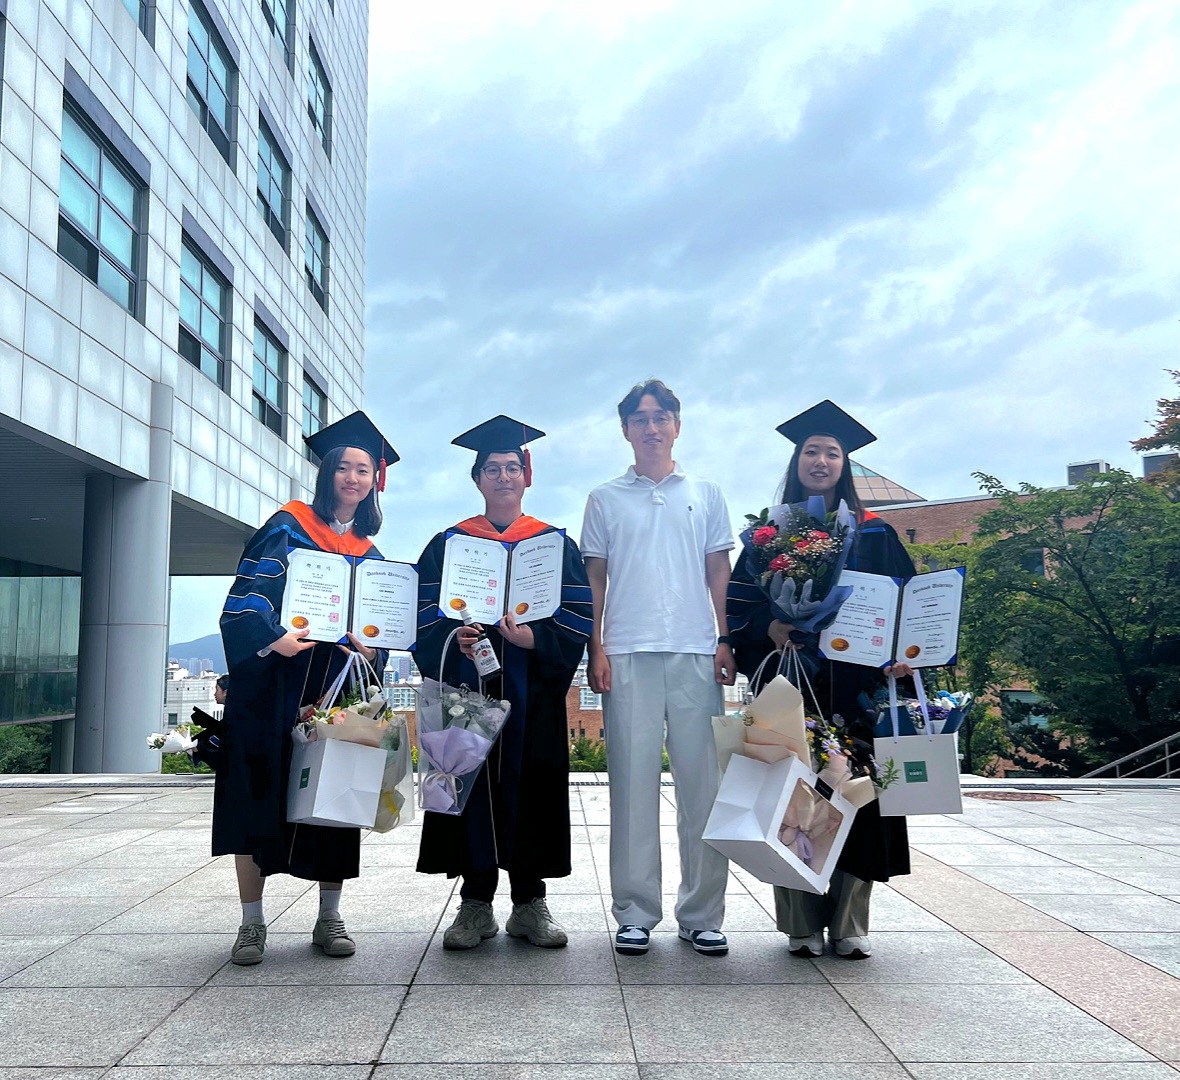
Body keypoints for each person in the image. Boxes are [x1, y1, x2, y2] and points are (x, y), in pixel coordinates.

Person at [727, 399, 914, 960]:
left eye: (832, 453)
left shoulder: (876, 535)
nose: (821, 461)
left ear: (844, 464)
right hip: (792, 681)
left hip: (858, 686)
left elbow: (905, 604)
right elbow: (739, 607)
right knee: (789, 796)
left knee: (861, 796)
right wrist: (771, 626)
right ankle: (800, 923)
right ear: (797, 461)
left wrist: (907, 656)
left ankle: (850, 923)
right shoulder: (768, 536)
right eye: (812, 451)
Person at [214, 411, 397, 966]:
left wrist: (374, 650)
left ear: (373, 481)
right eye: (343, 467)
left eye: (362, 470)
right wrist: (275, 640)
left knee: (337, 797)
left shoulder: (369, 552)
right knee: (258, 797)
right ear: (326, 474)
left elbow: (379, 629)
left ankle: (329, 917)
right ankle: (252, 923)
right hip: (275, 683)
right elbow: (247, 600)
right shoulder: (287, 526)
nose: (352, 478)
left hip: (332, 687)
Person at [415, 415, 591, 950]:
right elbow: (421, 612)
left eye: (512, 468)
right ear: (477, 479)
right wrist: (454, 636)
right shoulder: (449, 544)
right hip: (468, 686)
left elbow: (578, 612)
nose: (503, 477)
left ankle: (529, 903)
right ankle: (475, 904)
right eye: (492, 469)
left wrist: (537, 640)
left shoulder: (553, 544)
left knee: (531, 788)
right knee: (469, 788)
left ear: (526, 475)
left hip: (531, 690)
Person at [581, 379, 736, 957]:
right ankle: (635, 911)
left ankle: (702, 914)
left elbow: (718, 570)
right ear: (626, 430)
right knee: (631, 785)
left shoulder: (707, 493)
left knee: (704, 787)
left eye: (661, 416)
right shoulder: (604, 498)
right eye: (640, 419)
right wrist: (596, 647)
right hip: (626, 651)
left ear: (677, 425)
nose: (651, 427)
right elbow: (595, 579)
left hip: (696, 650)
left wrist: (724, 638)